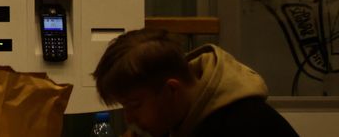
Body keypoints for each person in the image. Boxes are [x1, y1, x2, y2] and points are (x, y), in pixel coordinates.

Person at [92, 28, 298, 137]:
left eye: (135, 105)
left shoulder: (242, 126)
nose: (129, 118)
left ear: (171, 89)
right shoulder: (180, 118)